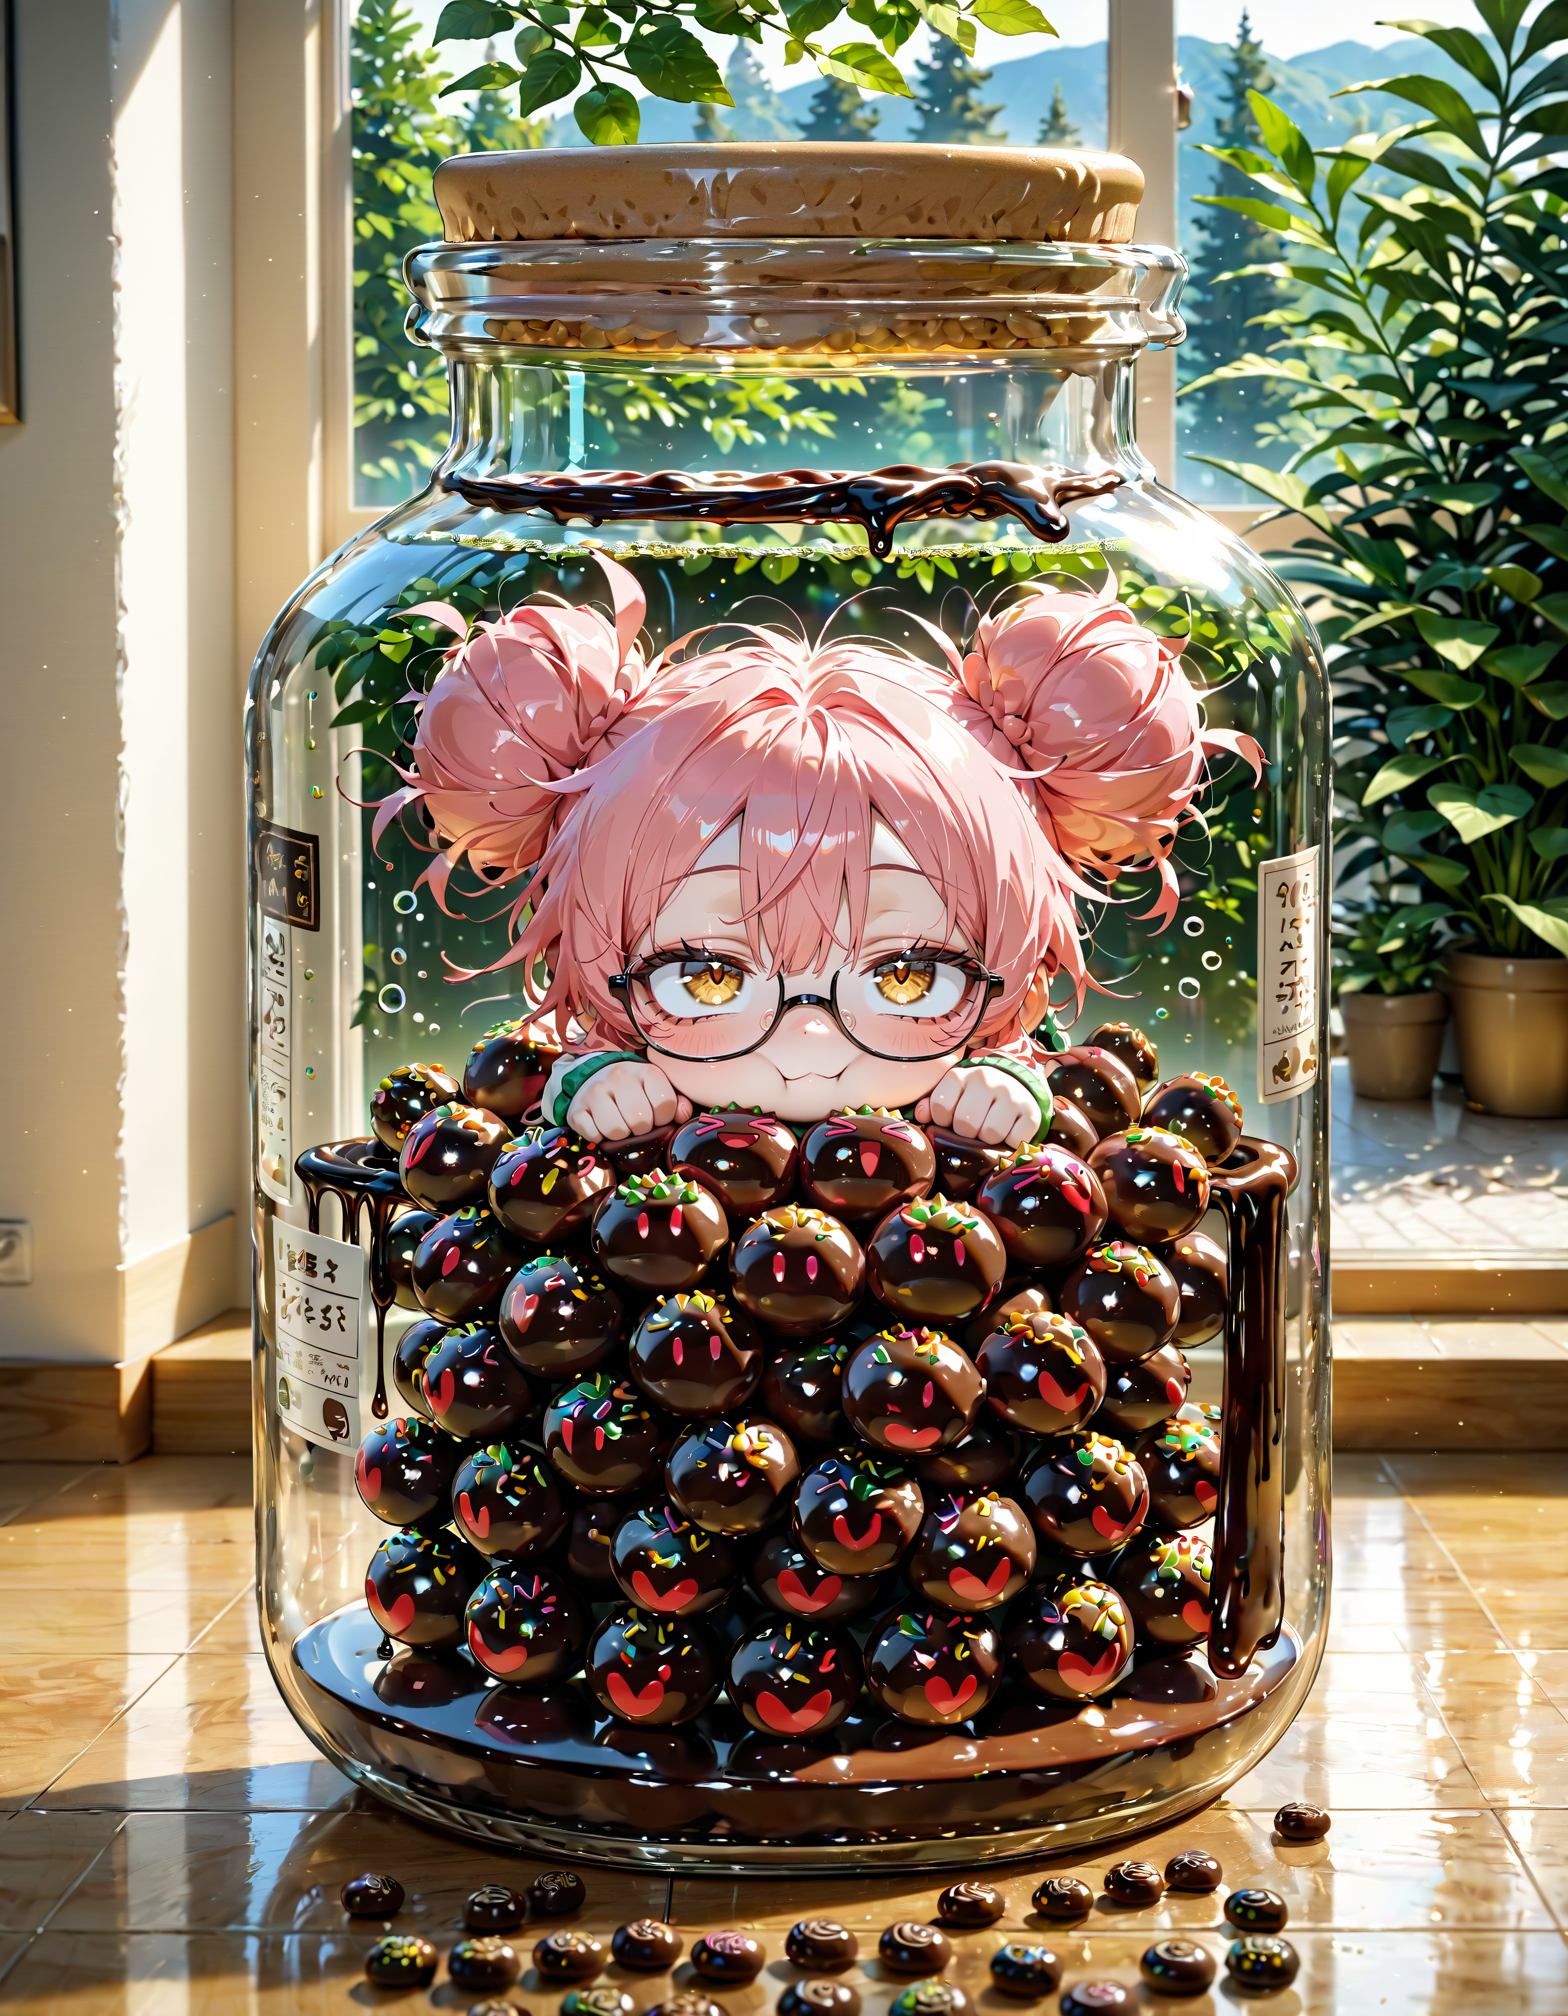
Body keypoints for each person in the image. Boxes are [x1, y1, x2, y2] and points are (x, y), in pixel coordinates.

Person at [376, 553, 1256, 1147]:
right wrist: (593, 1080)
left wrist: (1010, 1083)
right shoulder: (620, 1086)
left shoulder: (990, 1056)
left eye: (907, 976)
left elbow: (1036, 1046)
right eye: (707, 975)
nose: (808, 1039)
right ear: (606, 963)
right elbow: (561, 1071)